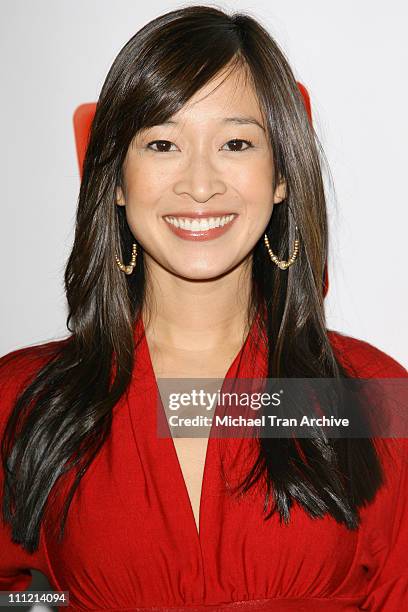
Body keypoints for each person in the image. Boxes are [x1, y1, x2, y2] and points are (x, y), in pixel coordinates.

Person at [1, 5, 407, 611]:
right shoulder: (25, 397)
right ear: (113, 178)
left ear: (281, 177)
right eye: (162, 143)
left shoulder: (366, 392)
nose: (198, 183)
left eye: (235, 143)